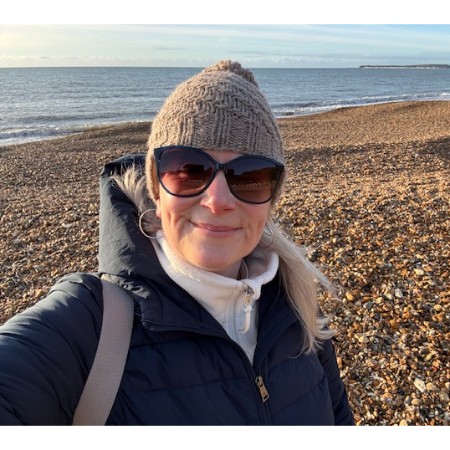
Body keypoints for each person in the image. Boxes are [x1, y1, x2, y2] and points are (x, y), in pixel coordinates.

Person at [0, 60, 354, 425]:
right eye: (189, 170)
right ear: (156, 189)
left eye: (249, 176)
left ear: (271, 199)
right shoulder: (87, 325)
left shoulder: (299, 310)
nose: (217, 201)